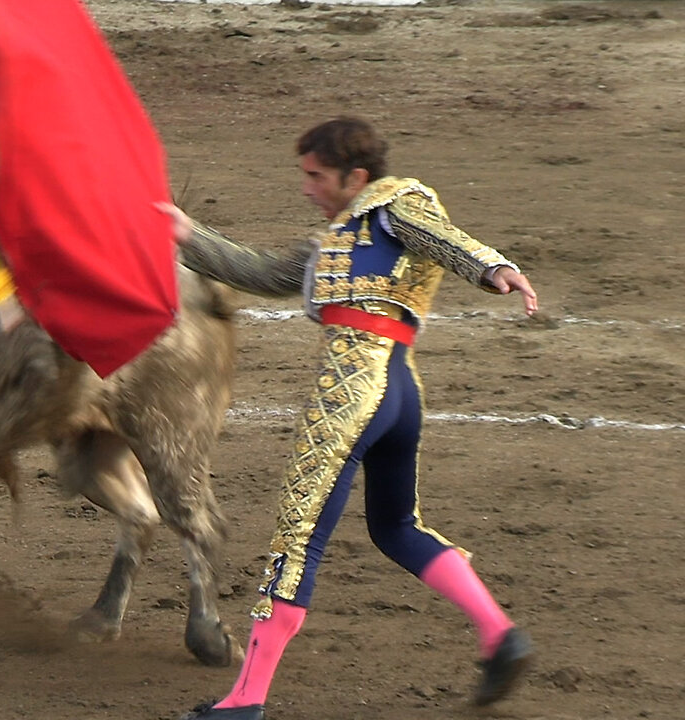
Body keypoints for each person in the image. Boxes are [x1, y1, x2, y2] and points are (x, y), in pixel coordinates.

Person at [159, 117, 538, 720]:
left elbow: (439, 235)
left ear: (355, 176)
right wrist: (188, 236)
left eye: (315, 176)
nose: (307, 187)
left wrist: (492, 268)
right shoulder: (340, 236)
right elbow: (269, 274)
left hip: (352, 394)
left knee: (297, 540)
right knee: (395, 528)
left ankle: (245, 700)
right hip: (398, 392)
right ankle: (499, 636)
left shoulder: (393, 203)